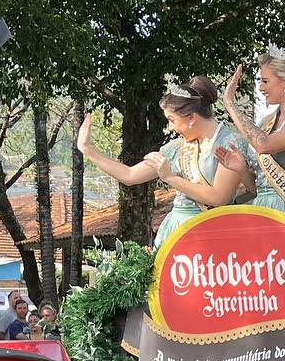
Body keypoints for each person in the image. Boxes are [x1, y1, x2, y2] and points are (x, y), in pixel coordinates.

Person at [77, 76, 242, 247]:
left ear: (191, 118)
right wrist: (89, 150)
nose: (171, 128)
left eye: (172, 120)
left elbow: (219, 197)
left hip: (213, 232)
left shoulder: (230, 143)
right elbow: (130, 175)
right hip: (177, 231)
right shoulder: (176, 148)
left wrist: (170, 177)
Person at [217, 47, 285, 226]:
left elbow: (264, 145)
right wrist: (242, 170)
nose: (261, 88)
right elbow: (258, 186)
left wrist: (230, 104)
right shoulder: (265, 123)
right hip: (264, 209)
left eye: (265, 81)